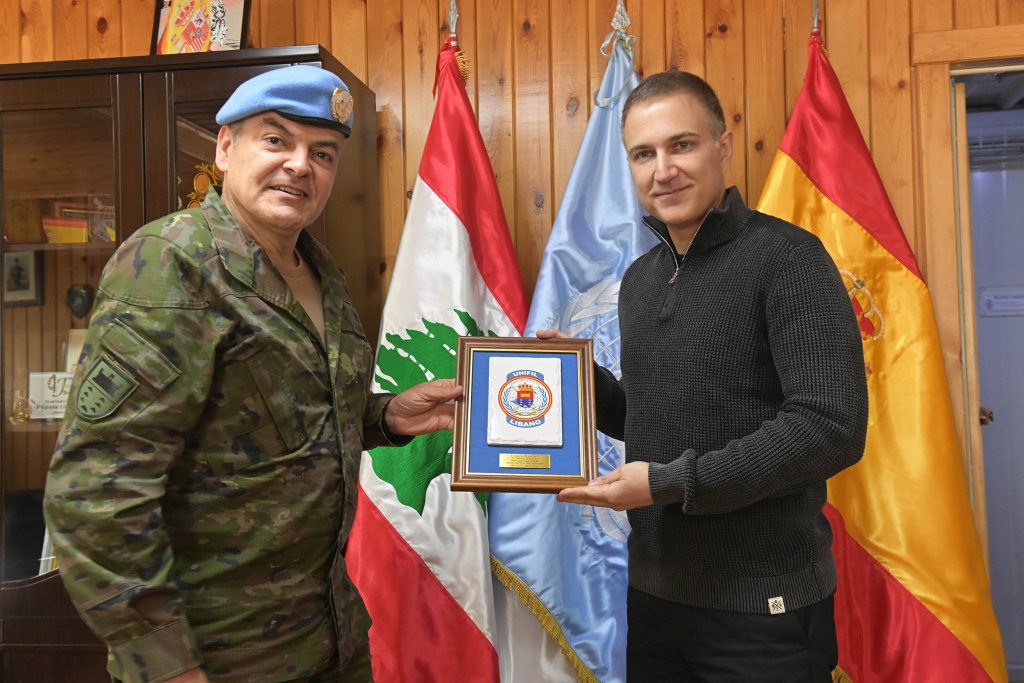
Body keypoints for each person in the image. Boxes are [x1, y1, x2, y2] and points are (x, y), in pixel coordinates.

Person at [43, 65, 461, 683]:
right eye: (275, 140)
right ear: (224, 148)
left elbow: (284, 418)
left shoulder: (320, 271)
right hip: (220, 657)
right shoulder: (174, 263)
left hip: (330, 636)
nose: (300, 165)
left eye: (323, 153)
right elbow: (96, 489)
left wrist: (386, 416)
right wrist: (164, 663)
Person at [552, 71, 869, 681]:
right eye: (643, 154)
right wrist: (575, 380)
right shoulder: (640, 280)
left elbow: (830, 427)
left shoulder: (789, 258)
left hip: (765, 609)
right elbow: (652, 415)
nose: (662, 170)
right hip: (655, 599)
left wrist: (669, 483)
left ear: (723, 147)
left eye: (682, 145)